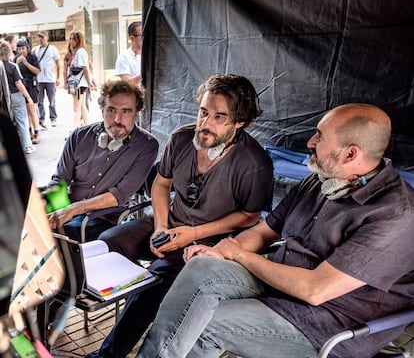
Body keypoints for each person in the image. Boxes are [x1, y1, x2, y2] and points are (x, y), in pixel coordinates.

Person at [137, 103, 414, 358]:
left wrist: (240, 255)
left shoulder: (394, 214)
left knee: (203, 322)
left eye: (319, 137)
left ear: (350, 153)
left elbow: (314, 290)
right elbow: (263, 232)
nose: (310, 143)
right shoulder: (319, 181)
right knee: (202, 267)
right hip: (278, 285)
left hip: (327, 323)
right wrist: (219, 251)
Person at [86, 73, 274, 358]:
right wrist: (160, 227)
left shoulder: (254, 162)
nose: (205, 124)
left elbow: (249, 216)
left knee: (151, 285)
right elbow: (161, 184)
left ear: (240, 122)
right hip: (170, 223)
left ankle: (105, 356)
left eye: (219, 117)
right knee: (107, 241)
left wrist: (194, 234)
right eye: (203, 112)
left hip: (210, 241)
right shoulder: (182, 138)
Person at [46, 79, 159, 242]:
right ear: (102, 110)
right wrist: (53, 208)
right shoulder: (79, 136)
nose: (118, 119)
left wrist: (72, 210)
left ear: (137, 113)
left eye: (126, 111)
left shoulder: (146, 146)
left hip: (102, 218)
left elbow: (118, 196)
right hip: (67, 208)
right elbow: (59, 180)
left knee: (58, 238)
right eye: (111, 110)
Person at [0, 41, 35, 154]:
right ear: (9, 53)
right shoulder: (12, 66)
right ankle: (27, 146)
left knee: (7, 122)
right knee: (22, 121)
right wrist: (28, 97)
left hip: (4, 98)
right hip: (16, 96)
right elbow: (19, 84)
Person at [66, 30, 95, 132]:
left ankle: (74, 130)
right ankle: (88, 127)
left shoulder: (81, 52)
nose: (71, 41)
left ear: (79, 40)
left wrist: (90, 82)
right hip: (77, 84)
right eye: (70, 39)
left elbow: (85, 68)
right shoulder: (78, 52)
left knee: (76, 108)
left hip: (79, 85)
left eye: (73, 39)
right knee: (81, 106)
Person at [15, 39, 41, 144]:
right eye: (19, 49)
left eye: (23, 48)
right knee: (26, 112)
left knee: (32, 111)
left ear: (27, 48)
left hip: (32, 85)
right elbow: (14, 73)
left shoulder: (32, 57)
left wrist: (26, 63)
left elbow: (37, 71)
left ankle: (37, 133)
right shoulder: (16, 58)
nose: (21, 51)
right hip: (22, 86)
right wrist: (16, 63)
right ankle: (29, 132)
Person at [32, 31, 60, 128]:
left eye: (42, 37)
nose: (40, 39)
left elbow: (58, 64)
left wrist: (58, 77)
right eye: (39, 37)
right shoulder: (35, 49)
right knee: (40, 101)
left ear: (47, 37)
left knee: (51, 100)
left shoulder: (53, 49)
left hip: (50, 79)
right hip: (39, 79)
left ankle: (53, 118)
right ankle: (41, 119)